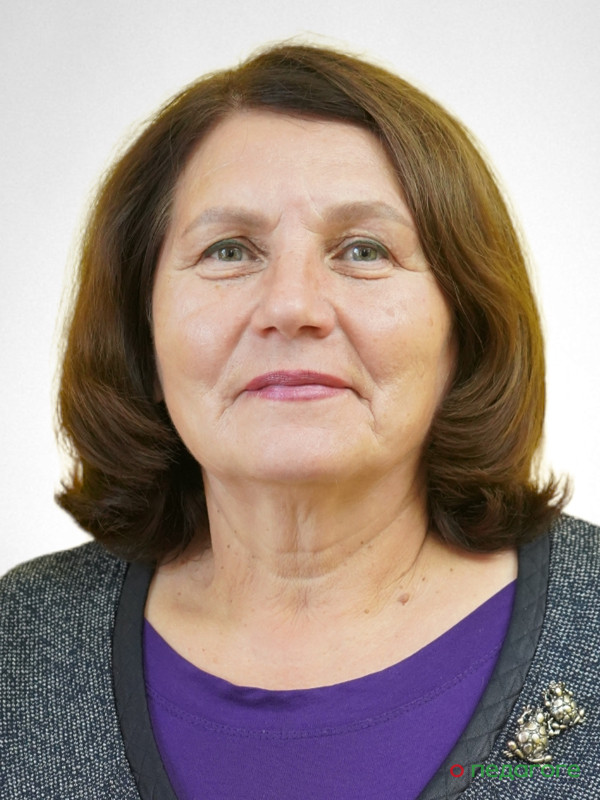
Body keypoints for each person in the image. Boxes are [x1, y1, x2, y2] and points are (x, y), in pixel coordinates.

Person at [1, 41, 598, 800]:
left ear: (466, 327)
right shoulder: (19, 645)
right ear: (139, 330)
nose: (291, 306)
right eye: (228, 251)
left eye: (363, 250)